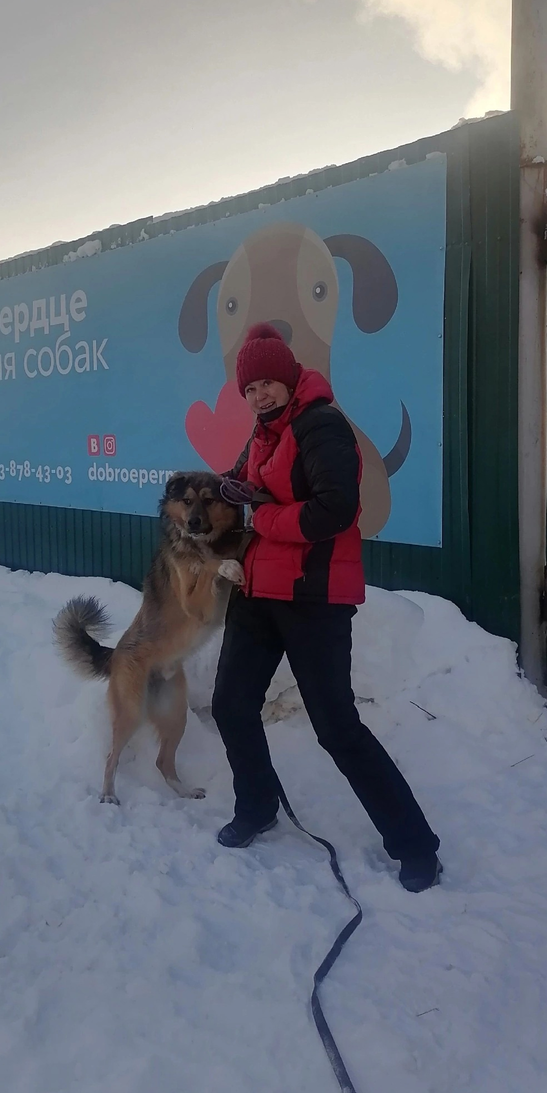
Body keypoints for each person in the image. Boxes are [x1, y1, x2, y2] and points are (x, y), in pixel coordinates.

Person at [211, 322, 441, 893]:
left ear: (289, 378)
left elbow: (334, 510)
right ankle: (258, 805)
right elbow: (244, 482)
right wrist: (229, 491)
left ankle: (416, 846)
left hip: (315, 600)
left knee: (338, 729)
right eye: (250, 388)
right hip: (260, 592)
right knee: (231, 705)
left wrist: (261, 516)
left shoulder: (322, 425)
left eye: (267, 383)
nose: (259, 395)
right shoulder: (263, 433)